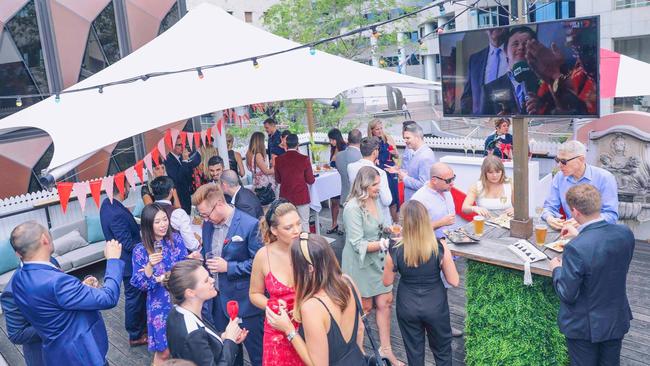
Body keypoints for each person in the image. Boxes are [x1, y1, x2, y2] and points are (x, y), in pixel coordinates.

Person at [10, 221, 124, 366]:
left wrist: (80, 289)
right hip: (82, 355)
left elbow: (51, 303)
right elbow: (109, 298)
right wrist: (113, 260)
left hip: (56, 355)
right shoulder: (56, 281)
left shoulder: (18, 279)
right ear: (45, 239)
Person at [549, 184, 634, 366]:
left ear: (575, 211)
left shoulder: (576, 248)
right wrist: (579, 234)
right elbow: (604, 257)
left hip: (584, 326)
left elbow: (567, 294)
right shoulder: (625, 233)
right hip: (615, 317)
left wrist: (556, 268)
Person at [265, 233, 366, 365]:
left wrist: (288, 329)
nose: (291, 268)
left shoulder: (312, 307)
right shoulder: (348, 281)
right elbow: (360, 329)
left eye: (292, 264)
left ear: (309, 268)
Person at [193, 184, 264, 366]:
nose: (205, 219)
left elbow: (260, 263)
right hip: (219, 303)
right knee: (229, 354)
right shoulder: (208, 226)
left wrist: (229, 267)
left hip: (246, 304)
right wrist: (200, 255)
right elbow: (209, 250)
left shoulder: (249, 224)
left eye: (206, 214)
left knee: (258, 355)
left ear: (218, 204)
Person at [383, 201, 459, 366]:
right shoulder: (438, 246)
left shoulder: (395, 248)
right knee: (442, 352)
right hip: (435, 304)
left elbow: (387, 281)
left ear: (403, 222)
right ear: (426, 220)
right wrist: (446, 249)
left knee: (414, 353)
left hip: (407, 304)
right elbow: (454, 280)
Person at [341, 166, 404, 366]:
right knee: (364, 307)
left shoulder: (375, 199)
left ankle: (386, 350)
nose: (379, 188)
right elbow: (358, 244)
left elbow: (376, 226)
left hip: (377, 259)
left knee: (385, 302)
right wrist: (386, 244)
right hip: (359, 263)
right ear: (365, 184)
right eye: (376, 184)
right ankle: (357, 355)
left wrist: (388, 230)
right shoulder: (352, 208)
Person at [131, 204, 189, 365]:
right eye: (157, 222)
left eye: (165, 219)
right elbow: (140, 284)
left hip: (182, 299)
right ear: (148, 224)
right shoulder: (140, 251)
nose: (163, 224)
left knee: (186, 345)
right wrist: (149, 266)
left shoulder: (175, 239)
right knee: (163, 352)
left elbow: (184, 266)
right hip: (160, 304)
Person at [249, 199, 303, 365]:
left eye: (298, 224)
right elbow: (254, 294)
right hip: (277, 330)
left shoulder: (310, 249)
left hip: (308, 326)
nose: (296, 231)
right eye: (288, 227)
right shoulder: (263, 256)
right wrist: (271, 305)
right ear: (274, 230)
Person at [165, 260, 248, 366]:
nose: (212, 280)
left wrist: (224, 336)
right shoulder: (193, 333)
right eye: (205, 280)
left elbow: (203, 341)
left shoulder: (177, 311)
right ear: (190, 292)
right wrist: (230, 341)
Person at [99, 181, 148, 347]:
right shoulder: (116, 213)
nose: (129, 189)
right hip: (128, 264)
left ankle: (141, 328)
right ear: (121, 188)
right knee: (134, 299)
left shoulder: (107, 204)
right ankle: (135, 335)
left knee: (137, 297)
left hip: (126, 261)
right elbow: (127, 243)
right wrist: (147, 245)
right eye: (128, 186)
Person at [542, 140, 619, 230]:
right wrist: (549, 218)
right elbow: (549, 206)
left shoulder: (605, 178)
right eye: (557, 160)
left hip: (596, 232)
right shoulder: (559, 177)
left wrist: (586, 222)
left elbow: (611, 215)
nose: (559, 165)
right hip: (568, 232)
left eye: (563, 161)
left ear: (581, 159)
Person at [1, 256, 60, 366]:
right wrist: (58, 321)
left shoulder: (50, 260)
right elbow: (17, 334)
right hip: (45, 356)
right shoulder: (11, 293)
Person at [460, 28, 508, 114]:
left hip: (509, 116)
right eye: (489, 24)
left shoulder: (517, 55)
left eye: (500, 23)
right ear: (485, 31)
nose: (493, 27)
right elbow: (467, 95)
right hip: (480, 120)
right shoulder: (474, 59)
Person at [274, 133, 316, 231]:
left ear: (286, 144)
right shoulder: (304, 159)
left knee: (287, 224)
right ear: (298, 145)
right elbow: (310, 180)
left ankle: (291, 245)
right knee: (304, 222)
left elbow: (278, 180)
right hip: (301, 195)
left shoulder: (279, 160)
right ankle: (305, 245)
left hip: (285, 197)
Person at [347, 137, 393, 224]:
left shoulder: (350, 167)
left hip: (358, 209)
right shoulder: (380, 172)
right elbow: (387, 200)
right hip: (376, 214)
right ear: (375, 152)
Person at [387, 121, 436, 201]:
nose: (405, 141)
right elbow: (414, 174)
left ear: (417, 137)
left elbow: (424, 185)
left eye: (408, 138)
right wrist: (399, 171)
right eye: (404, 138)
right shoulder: (417, 152)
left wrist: (404, 178)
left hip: (419, 203)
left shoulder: (425, 156)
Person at [151, 176, 202, 251]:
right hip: (176, 255)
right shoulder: (178, 213)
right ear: (172, 191)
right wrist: (198, 241)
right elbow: (191, 245)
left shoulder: (147, 211)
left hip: (154, 254)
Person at [412, 163, 460, 240]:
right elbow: (414, 230)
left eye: (453, 178)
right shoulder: (419, 199)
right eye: (448, 180)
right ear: (434, 180)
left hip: (452, 241)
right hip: (434, 247)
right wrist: (441, 223)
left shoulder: (445, 190)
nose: (452, 183)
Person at [368, 119, 400, 222]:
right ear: (372, 130)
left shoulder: (387, 137)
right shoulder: (370, 142)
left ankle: (396, 224)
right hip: (379, 172)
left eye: (381, 128)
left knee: (394, 199)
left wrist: (394, 153)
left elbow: (397, 155)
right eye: (377, 129)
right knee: (382, 200)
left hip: (391, 171)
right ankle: (384, 224)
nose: (380, 131)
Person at [165, 138, 201, 214]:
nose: (183, 147)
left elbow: (189, 175)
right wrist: (185, 161)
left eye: (183, 144)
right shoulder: (168, 160)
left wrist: (188, 162)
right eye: (179, 145)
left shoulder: (181, 157)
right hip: (179, 198)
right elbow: (177, 178)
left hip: (187, 195)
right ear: (172, 146)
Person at [326, 128, 347, 235]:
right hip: (333, 180)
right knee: (334, 202)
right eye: (330, 140)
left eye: (332, 139)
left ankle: (345, 226)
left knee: (343, 204)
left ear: (337, 138)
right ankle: (334, 224)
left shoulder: (344, 148)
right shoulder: (333, 148)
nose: (331, 142)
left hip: (342, 180)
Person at [334, 129, 362, 206]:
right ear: (360, 140)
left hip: (345, 195)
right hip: (359, 197)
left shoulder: (338, 156)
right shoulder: (361, 156)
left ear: (348, 140)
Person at [246, 131, 277, 198]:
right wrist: (277, 167)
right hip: (263, 184)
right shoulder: (258, 155)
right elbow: (266, 171)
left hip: (256, 182)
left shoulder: (248, 154)